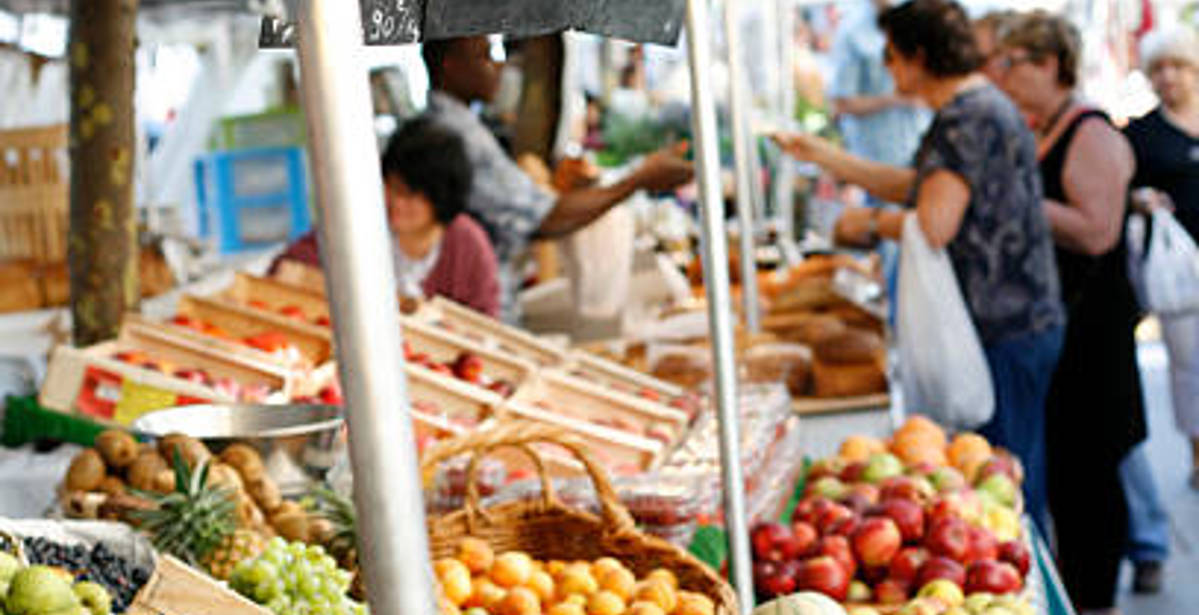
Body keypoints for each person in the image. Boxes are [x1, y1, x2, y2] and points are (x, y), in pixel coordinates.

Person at [774, 0, 1065, 531]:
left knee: (1004, 487)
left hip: (1002, 327)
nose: (886, 68)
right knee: (1013, 475)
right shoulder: (976, 108)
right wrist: (825, 157)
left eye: (890, 55)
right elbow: (920, 187)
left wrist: (864, 225)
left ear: (918, 55)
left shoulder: (965, 119)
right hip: (1021, 318)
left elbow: (933, 221)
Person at [997, 13, 1148, 614]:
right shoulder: (1051, 127)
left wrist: (1019, 198)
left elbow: (1096, 230)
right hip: (1063, 324)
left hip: (1095, 330)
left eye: (1014, 64)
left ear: (1049, 65)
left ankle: (1097, 599)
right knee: (1068, 468)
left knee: (1091, 469)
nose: (1005, 77)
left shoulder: (1091, 132)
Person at [421, 36, 694, 323]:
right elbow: (545, 218)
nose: (499, 66)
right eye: (485, 57)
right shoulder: (457, 136)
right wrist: (639, 180)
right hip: (478, 318)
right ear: (450, 66)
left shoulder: (455, 127)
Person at [271, 117, 501, 317]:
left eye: (410, 195)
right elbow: (288, 268)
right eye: (392, 188)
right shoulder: (359, 224)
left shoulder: (468, 246)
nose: (396, 203)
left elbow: (483, 326)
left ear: (441, 199)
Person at [1125, 26, 1199, 494]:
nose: (1168, 77)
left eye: (1178, 66)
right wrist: (1140, 199)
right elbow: (1120, 187)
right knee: (1189, 365)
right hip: (1179, 270)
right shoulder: (1141, 135)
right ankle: (1197, 451)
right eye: (1159, 69)